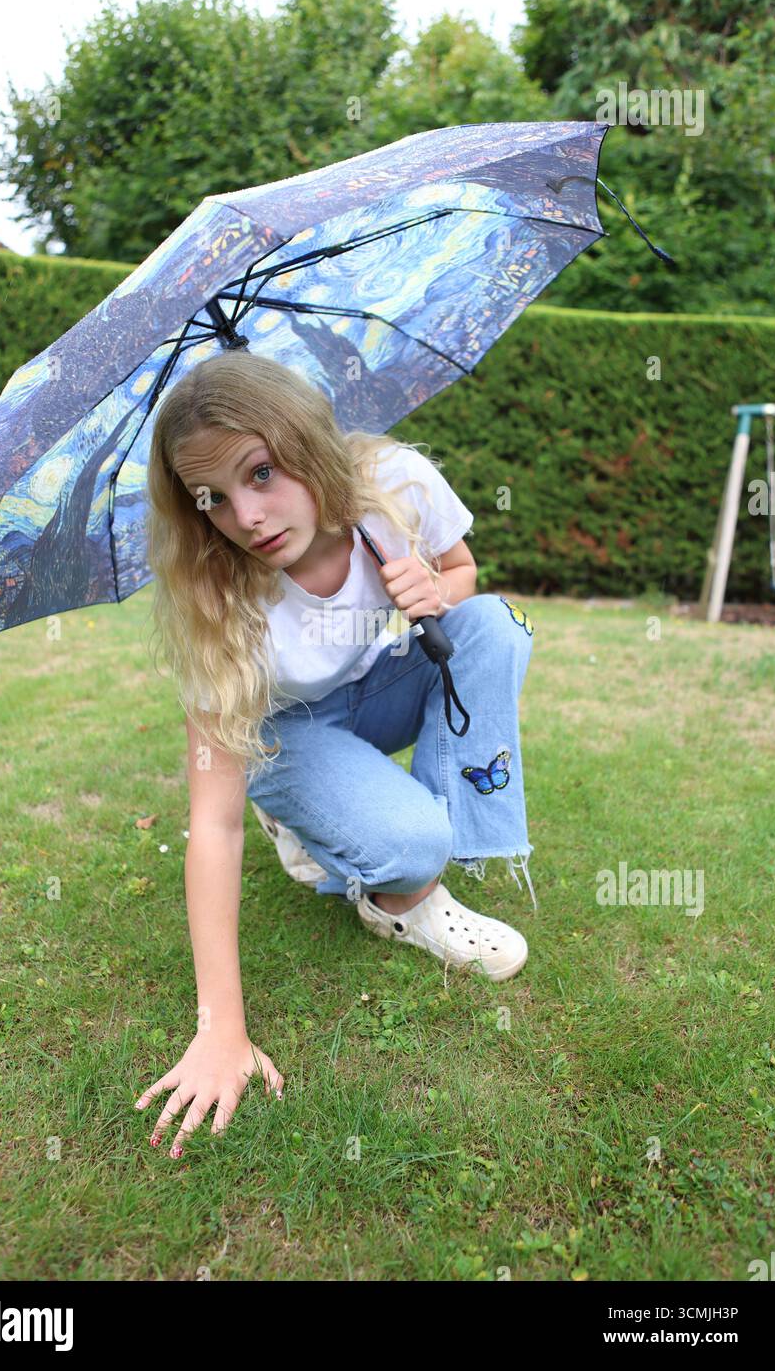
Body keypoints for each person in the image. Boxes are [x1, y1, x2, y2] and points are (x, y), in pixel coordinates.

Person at [135, 351, 537, 1156]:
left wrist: (433, 591)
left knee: (495, 623)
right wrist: (223, 1029)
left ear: (305, 440)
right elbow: (211, 826)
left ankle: (415, 854)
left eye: (262, 471)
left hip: (372, 685)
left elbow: (465, 573)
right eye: (213, 497)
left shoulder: (394, 485)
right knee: (411, 840)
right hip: (286, 734)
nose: (246, 516)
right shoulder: (217, 598)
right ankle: (400, 888)